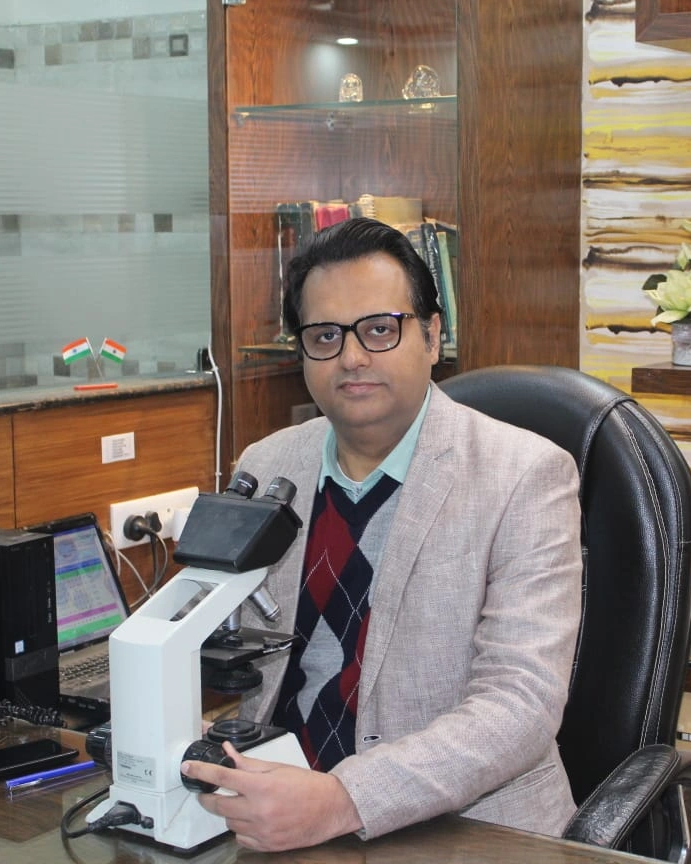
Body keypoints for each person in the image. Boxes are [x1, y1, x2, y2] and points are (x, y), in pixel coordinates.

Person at [180, 217, 582, 852]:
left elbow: (520, 706)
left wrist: (345, 799)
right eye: (325, 335)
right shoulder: (266, 466)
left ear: (432, 334)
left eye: (378, 329)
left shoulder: (525, 475)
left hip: (466, 829)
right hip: (278, 809)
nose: (352, 357)